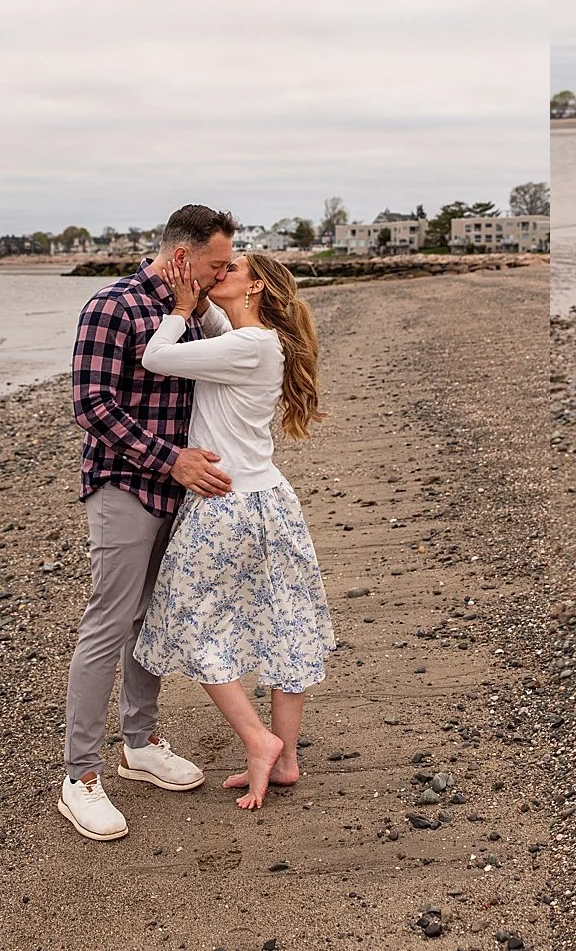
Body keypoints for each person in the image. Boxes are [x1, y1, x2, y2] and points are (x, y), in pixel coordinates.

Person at [61, 204, 238, 842]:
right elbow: (90, 404)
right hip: (123, 485)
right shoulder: (113, 306)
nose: (224, 274)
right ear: (183, 256)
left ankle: (139, 743)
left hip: (180, 492)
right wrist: (173, 460)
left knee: (150, 620)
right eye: (218, 264)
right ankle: (80, 775)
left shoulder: (191, 315)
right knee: (108, 622)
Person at [134, 252, 336, 811]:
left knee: (188, 618)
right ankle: (286, 760)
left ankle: (258, 739)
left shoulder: (246, 345)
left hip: (226, 504)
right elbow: (218, 322)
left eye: (234, 267)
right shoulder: (258, 340)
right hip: (269, 500)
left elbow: (155, 356)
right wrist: (199, 299)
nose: (221, 271)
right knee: (285, 622)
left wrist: (179, 307)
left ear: (257, 288)